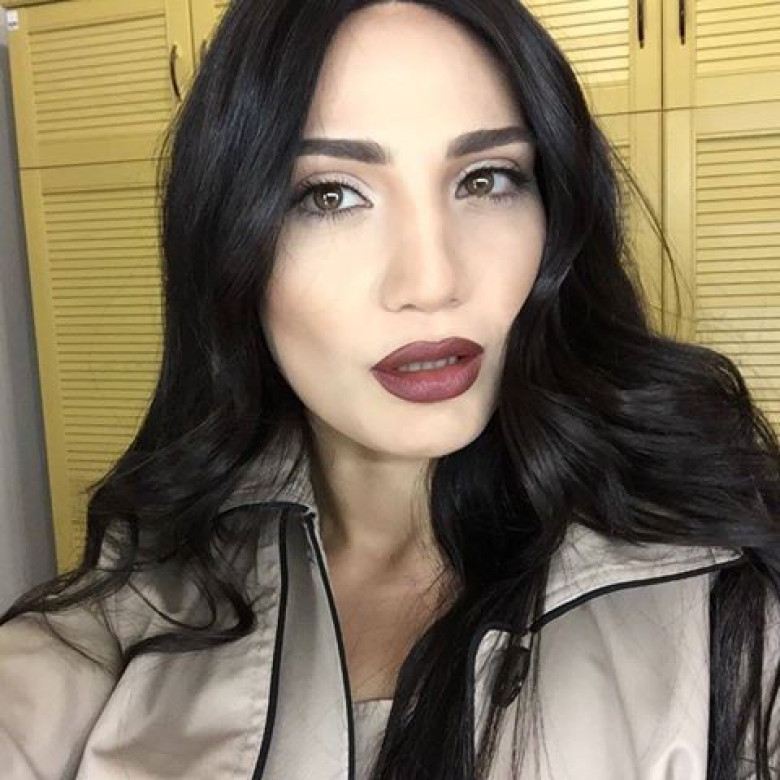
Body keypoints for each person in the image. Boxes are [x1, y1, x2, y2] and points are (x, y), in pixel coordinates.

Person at [1, 0, 778, 777]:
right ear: (230, 242)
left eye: (485, 179)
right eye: (330, 195)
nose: (431, 282)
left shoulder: (724, 596)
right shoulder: (133, 611)